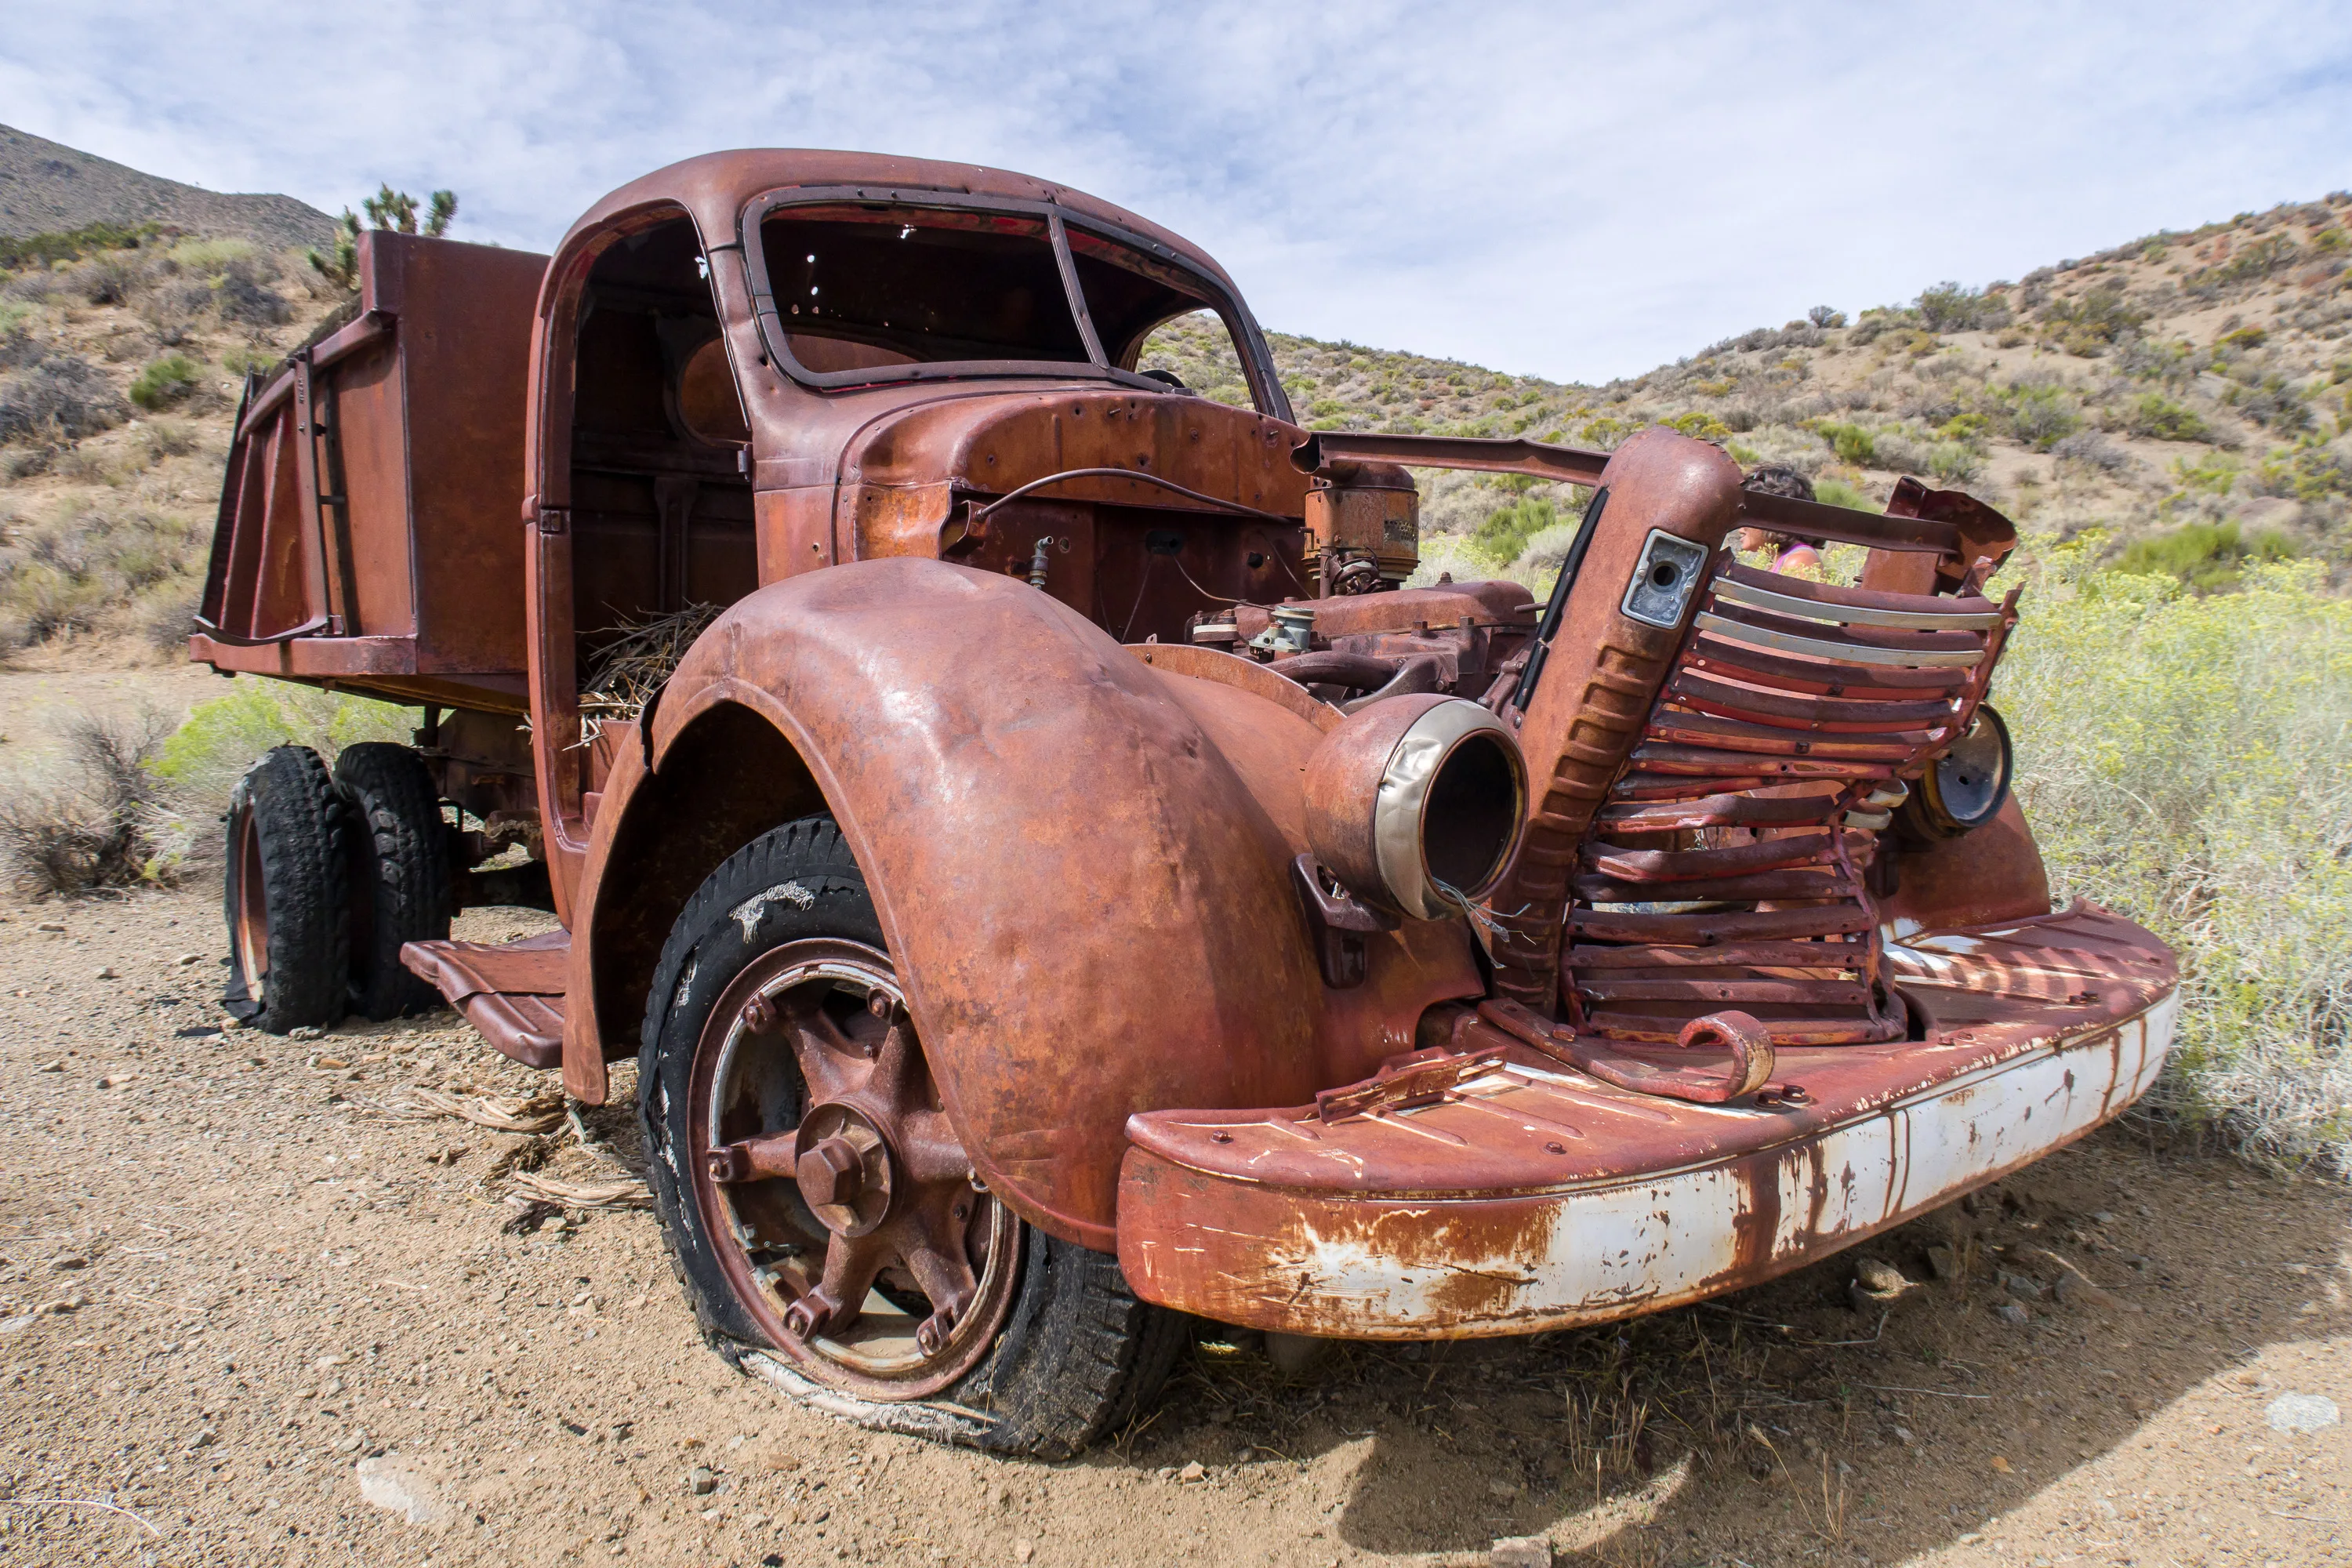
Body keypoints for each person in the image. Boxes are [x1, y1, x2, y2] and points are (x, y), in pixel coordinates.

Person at [1737, 465, 1828, 574]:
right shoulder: (1777, 561)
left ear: (1771, 517)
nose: (1740, 527)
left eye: (1747, 515)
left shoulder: (1799, 561)